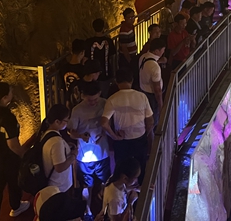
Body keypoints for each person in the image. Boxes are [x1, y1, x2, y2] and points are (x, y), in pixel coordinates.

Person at [0, 82, 30, 220]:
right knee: (14, 183)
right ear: (4, 98)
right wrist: (25, 155)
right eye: (10, 92)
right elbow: (13, 145)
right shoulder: (8, 118)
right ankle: (16, 206)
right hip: (6, 158)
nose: (12, 93)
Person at [101, 68, 154, 185]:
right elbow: (150, 121)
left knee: (120, 168)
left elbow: (104, 123)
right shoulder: (142, 97)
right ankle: (141, 190)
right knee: (141, 166)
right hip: (139, 138)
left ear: (116, 81)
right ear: (132, 80)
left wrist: (114, 136)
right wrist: (146, 133)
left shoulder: (112, 99)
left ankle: (121, 191)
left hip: (122, 141)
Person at [69, 81, 111, 220]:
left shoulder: (105, 103)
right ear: (82, 96)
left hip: (102, 152)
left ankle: (104, 209)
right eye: (89, 100)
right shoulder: (77, 110)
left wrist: (105, 133)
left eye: (95, 99)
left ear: (100, 94)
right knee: (87, 185)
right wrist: (81, 136)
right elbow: (71, 132)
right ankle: (87, 210)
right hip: (84, 155)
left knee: (105, 182)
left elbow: (110, 123)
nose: (93, 102)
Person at [42, 104, 76, 195]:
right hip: (59, 186)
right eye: (66, 120)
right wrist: (73, 155)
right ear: (57, 121)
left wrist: (66, 146)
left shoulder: (46, 134)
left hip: (54, 184)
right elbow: (59, 167)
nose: (67, 123)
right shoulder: (57, 141)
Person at [138, 37, 165, 127]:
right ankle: (153, 132)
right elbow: (157, 89)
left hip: (143, 91)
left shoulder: (143, 57)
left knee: (146, 115)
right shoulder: (154, 67)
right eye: (162, 50)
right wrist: (161, 106)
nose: (163, 52)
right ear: (156, 51)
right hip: (152, 96)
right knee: (153, 118)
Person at [86, 18, 117, 93]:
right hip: (106, 72)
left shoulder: (88, 42)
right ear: (103, 28)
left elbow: (86, 57)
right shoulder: (109, 41)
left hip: (92, 73)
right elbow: (112, 56)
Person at [60, 39, 87, 108]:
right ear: (82, 52)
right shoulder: (83, 69)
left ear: (72, 51)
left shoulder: (64, 68)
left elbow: (62, 87)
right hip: (81, 103)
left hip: (68, 101)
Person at [119, 7, 138, 82]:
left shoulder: (130, 27)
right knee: (127, 77)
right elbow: (124, 47)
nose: (132, 19)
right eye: (130, 17)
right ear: (125, 18)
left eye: (133, 17)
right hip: (126, 58)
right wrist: (129, 60)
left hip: (131, 55)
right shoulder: (124, 30)